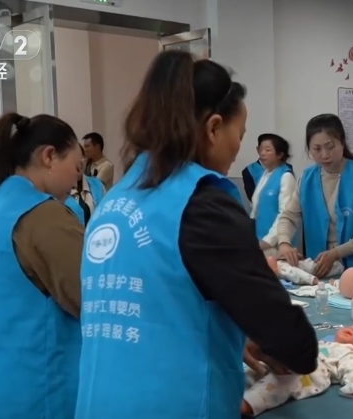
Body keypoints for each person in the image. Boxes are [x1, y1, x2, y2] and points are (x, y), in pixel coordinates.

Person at [75, 50, 317, 419]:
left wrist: (231, 333)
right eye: (240, 135)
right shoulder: (203, 205)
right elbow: (291, 340)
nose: (238, 150)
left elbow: (160, 301)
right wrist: (281, 340)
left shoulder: (115, 200)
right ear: (214, 128)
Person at [0, 112, 85, 419]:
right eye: (76, 167)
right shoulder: (44, 216)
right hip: (38, 391)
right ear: (49, 156)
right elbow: (89, 298)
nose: (77, 180)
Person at [273, 114, 353, 277]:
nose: (324, 155)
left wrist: (336, 253)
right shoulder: (306, 178)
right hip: (319, 271)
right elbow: (288, 216)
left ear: (342, 143)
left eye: (330, 147)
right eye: (317, 149)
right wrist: (284, 243)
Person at [250, 133, 295, 249]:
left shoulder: (286, 176)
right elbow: (255, 209)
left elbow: (285, 214)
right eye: (261, 150)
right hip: (258, 239)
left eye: (268, 150)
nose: (262, 153)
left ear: (280, 154)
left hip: (276, 243)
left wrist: (268, 241)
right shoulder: (264, 174)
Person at [67, 144, 107, 225]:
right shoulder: (57, 190)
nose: (79, 162)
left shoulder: (97, 185)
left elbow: (105, 214)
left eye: (81, 157)